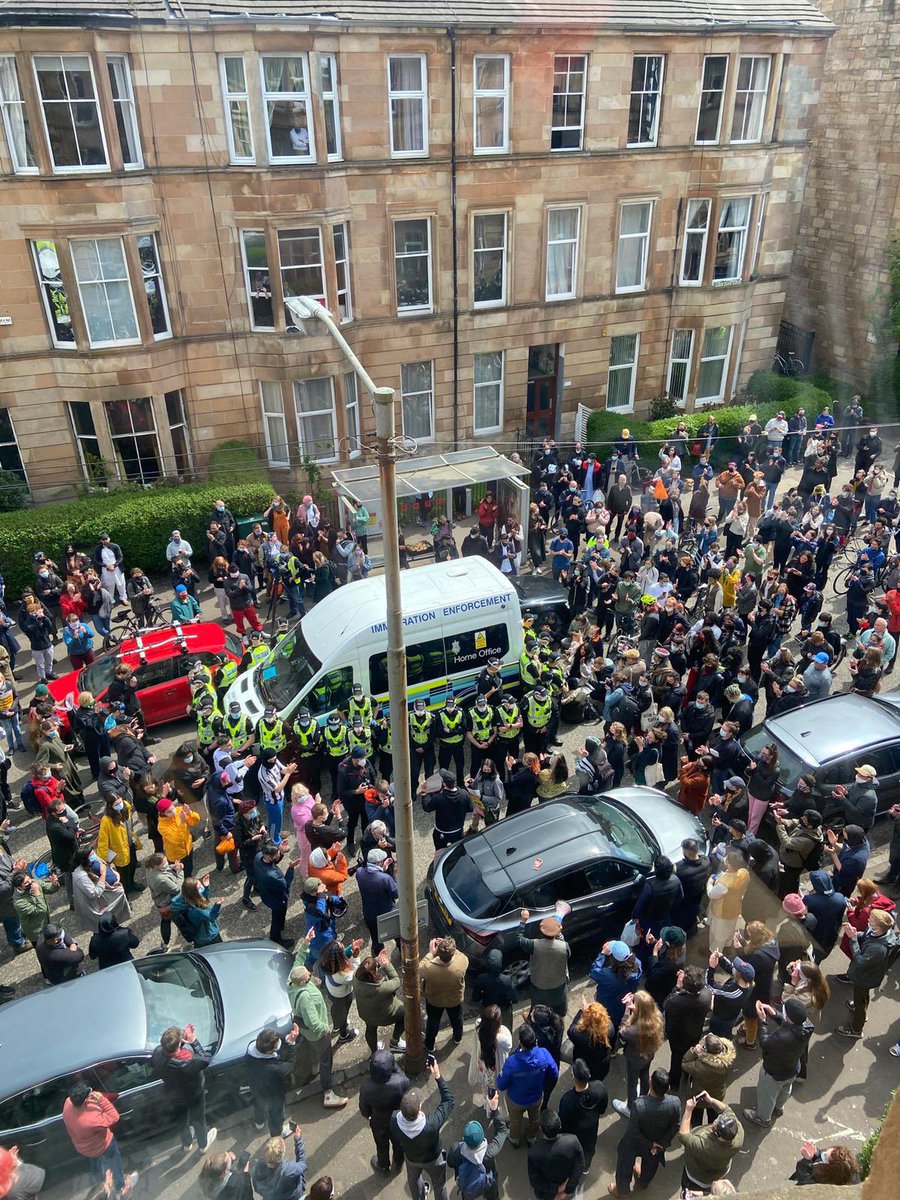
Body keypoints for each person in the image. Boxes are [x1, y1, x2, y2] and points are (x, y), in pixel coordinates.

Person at [609, 1068, 681, 1198]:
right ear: (668, 1087)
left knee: (624, 1165)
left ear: (650, 1082)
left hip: (635, 1143)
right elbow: (675, 1126)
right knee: (651, 1164)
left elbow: (632, 1132)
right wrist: (660, 1144)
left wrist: (650, 1143)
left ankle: (622, 1191)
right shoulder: (675, 1103)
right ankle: (643, 1181)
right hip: (657, 1144)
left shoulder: (640, 1105)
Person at [742, 997, 813, 1126]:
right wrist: (773, 1013)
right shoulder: (807, 1026)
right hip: (792, 1069)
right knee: (786, 1089)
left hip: (774, 1072)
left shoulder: (781, 1037)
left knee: (767, 1095)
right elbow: (791, 1023)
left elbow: (765, 1043)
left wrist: (763, 1022)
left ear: (789, 1018)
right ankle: (779, 1107)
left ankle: (763, 1118)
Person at [390, 1059, 454, 1200]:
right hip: (433, 1160)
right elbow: (449, 1101)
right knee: (439, 1185)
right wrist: (438, 1076)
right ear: (419, 1109)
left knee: (414, 1181)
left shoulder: (394, 1120)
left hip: (411, 1159)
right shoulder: (430, 1125)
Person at [288, 962, 349, 1109]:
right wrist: (325, 1028)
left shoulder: (290, 984)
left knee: (313, 1049)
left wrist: (305, 945)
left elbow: (297, 962)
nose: (310, 974)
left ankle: (314, 1068)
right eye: (307, 976)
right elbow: (313, 1023)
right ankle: (327, 1092)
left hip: (306, 1033)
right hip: (318, 1034)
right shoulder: (305, 999)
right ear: (303, 981)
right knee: (326, 1059)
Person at [62, 1083, 137, 1198]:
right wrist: (101, 1099)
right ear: (86, 1100)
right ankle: (120, 1187)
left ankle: (102, 1186)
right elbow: (114, 1117)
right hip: (104, 1145)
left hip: (83, 1148)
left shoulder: (67, 1103)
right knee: (114, 1163)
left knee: (96, 1165)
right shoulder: (91, 1120)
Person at [151, 1023, 218, 1151]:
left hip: (174, 1095)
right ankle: (203, 1145)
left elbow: (170, 1051)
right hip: (194, 1095)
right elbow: (204, 1060)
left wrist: (180, 1042)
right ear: (178, 1046)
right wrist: (193, 1041)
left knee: (182, 1121)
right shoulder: (186, 1063)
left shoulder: (157, 1053)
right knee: (199, 1120)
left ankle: (187, 1144)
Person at [835, 908, 896, 1038]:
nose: (868, 920)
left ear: (878, 927)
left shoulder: (878, 949)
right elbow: (868, 936)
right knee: (862, 998)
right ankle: (860, 1007)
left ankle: (856, 1029)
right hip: (868, 976)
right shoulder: (882, 932)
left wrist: (852, 939)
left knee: (860, 1001)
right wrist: (856, 934)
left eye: (872, 920)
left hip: (864, 978)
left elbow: (859, 961)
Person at [496, 1023, 558, 1148]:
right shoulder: (544, 1054)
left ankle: (514, 1139)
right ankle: (532, 1137)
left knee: (514, 1121)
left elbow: (501, 1084)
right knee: (535, 1119)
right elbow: (555, 1073)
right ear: (535, 1040)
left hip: (515, 1100)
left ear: (520, 1042)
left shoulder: (511, 1062)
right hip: (535, 1097)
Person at [678, 1094, 744, 1194]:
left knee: (689, 1191)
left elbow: (683, 1136)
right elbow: (727, 1109)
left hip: (697, 1178)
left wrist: (688, 1110)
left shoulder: (706, 1146)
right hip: (719, 1171)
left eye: (716, 1123)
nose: (715, 1120)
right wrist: (711, 1100)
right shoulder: (738, 1133)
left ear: (718, 1135)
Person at [613, 990, 665, 1116]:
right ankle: (643, 1096)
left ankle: (630, 1107)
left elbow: (622, 1032)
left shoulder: (633, 1031)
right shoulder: (658, 1016)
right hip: (649, 1054)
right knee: (645, 1074)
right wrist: (635, 1008)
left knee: (632, 1082)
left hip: (634, 1058)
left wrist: (627, 1010)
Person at [359, 1048, 411, 1176]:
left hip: (378, 1122)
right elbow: (405, 1081)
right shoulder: (401, 1082)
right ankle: (398, 1163)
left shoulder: (366, 1086)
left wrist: (368, 1116)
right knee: (399, 1144)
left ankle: (383, 1166)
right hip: (397, 1121)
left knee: (381, 1145)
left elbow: (364, 1109)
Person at [447, 1094, 508, 1200]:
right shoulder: (489, 1152)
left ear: (464, 1138)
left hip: (467, 1186)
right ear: (482, 1137)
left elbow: (450, 1162)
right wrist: (494, 1110)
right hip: (487, 1182)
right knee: (492, 1195)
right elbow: (502, 1131)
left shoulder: (457, 1149)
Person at [244, 1024, 299, 1137]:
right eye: (276, 1045)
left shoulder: (252, 1047)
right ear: (269, 1051)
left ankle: (259, 1123)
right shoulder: (274, 1068)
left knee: (259, 1105)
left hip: (256, 1087)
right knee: (276, 1114)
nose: (279, 1044)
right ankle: (277, 1133)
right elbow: (290, 1064)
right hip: (273, 1094)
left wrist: (287, 1038)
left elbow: (274, 1037)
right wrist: (292, 1044)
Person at [664, 965, 712, 1091]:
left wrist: (677, 987)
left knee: (677, 1058)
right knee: (692, 1054)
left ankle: (674, 1083)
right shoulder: (707, 995)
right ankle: (688, 1076)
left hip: (678, 1036)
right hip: (695, 1032)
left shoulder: (677, 1001)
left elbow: (666, 1004)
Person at [517, 907, 571, 1016]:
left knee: (538, 1011)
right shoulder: (564, 946)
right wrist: (559, 933)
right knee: (559, 1012)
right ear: (556, 933)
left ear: (541, 932)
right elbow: (568, 955)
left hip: (538, 986)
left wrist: (523, 921)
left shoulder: (534, 945)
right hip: (558, 987)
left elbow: (519, 938)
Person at [420, 935, 469, 1051]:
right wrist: (449, 947)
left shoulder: (429, 968)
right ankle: (457, 1038)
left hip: (434, 1001)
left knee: (432, 1023)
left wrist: (431, 952)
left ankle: (429, 1045)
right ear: (452, 954)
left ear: (438, 953)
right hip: (454, 1000)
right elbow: (461, 955)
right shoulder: (462, 963)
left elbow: (420, 968)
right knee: (457, 1020)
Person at [559, 1057, 607, 1174]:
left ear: (573, 1077)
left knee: (571, 1152)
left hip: (573, 1133)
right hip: (591, 1129)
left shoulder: (568, 1099)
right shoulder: (599, 1087)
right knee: (588, 1149)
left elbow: (563, 1122)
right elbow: (602, 1108)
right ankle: (585, 1167)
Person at [353, 950, 407, 1054]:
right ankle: (395, 1041)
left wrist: (378, 959)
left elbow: (367, 969)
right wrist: (387, 965)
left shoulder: (355, 979)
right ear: (373, 974)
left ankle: (374, 1052)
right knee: (405, 1013)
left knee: (370, 1030)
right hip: (386, 1016)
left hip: (367, 1015)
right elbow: (396, 981)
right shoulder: (381, 987)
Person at [527, 1109, 584, 1200]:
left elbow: (535, 1181)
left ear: (541, 1128)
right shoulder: (573, 1141)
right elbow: (580, 1165)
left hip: (545, 1193)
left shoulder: (534, 1152)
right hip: (566, 1182)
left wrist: (556, 1189)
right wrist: (567, 1190)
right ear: (560, 1125)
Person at [254, 840, 301, 948]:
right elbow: (285, 884)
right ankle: (276, 938)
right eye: (277, 854)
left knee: (278, 916)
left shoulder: (259, 856)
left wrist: (282, 852)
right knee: (277, 916)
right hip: (277, 899)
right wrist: (291, 868)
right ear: (270, 857)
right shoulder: (273, 876)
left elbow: (272, 862)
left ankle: (280, 926)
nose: (279, 854)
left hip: (265, 892)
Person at [355, 847, 397, 954]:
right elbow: (395, 894)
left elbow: (372, 875)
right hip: (386, 913)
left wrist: (382, 869)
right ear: (379, 862)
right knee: (396, 933)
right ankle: (402, 949)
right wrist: (393, 876)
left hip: (369, 913)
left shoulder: (359, 872)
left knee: (375, 937)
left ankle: (378, 954)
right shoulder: (385, 879)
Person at [706, 851, 750, 951]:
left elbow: (711, 894)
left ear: (729, 864)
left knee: (718, 935)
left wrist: (710, 882)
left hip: (722, 912)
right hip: (735, 908)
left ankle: (715, 952)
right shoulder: (744, 873)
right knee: (730, 929)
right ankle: (728, 945)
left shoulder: (724, 883)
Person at [250, 1130, 308, 1200]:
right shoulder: (289, 1169)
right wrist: (298, 1140)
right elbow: (302, 1164)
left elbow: (257, 1188)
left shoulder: (258, 1168)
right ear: (282, 1153)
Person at [566, 997, 613, 1082]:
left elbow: (571, 1030)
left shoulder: (579, 1035)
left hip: (584, 1065)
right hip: (601, 1066)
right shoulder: (610, 1028)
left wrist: (581, 1011)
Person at [790, 1141, 860, 1186]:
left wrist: (806, 1161)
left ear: (828, 1169)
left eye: (824, 1156)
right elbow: (821, 1153)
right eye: (826, 1151)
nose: (822, 1153)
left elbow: (804, 1181)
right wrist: (814, 1153)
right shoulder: (832, 1165)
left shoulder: (819, 1183)